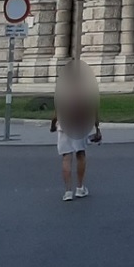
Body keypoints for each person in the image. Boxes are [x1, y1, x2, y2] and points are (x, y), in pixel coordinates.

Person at [50, 59, 101, 202]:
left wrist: (54, 122)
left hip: (64, 124)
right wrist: (96, 125)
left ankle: (67, 192)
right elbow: (93, 107)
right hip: (80, 124)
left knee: (66, 157)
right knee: (80, 154)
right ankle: (80, 188)